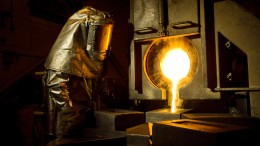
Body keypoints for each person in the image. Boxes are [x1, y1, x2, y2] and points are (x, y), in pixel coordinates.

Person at [42, 6, 114, 138]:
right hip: (66, 121)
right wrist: (69, 112)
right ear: (84, 31)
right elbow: (56, 84)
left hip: (83, 114)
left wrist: (106, 94)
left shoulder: (88, 55)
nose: (101, 40)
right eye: (98, 32)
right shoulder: (63, 55)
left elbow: (96, 77)